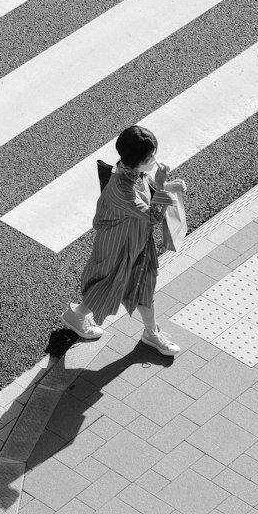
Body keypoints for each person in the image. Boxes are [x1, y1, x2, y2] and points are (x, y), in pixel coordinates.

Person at [63, 125, 188, 356]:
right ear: (135, 160)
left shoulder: (131, 171)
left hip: (136, 243)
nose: (154, 160)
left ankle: (151, 332)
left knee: (143, 286)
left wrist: (168, 187)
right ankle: (77, 315)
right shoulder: (121, 189)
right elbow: (153, 216)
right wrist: (163, 186)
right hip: (118, 247)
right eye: (150, 157)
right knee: (108, 284)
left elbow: (148, 197)